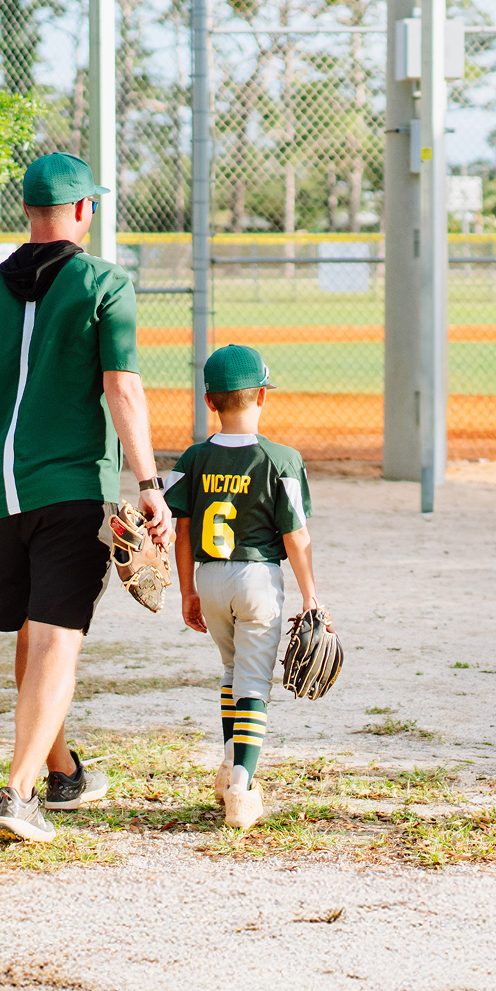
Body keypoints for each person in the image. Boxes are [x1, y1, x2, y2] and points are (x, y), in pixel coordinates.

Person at [0, 153, 171, 843]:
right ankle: (18, 792)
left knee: (32, 630)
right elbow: (123, 388)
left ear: (28, 211)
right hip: (72, 486)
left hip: (3, 496)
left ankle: (63, 773)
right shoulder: (104, 283)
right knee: (56, 638)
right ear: (84, 210)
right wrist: (149, 485)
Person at [166, 344, 319, 830]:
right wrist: (311, 597)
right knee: (253, 684)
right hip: (256, 576)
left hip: (209, 577)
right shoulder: (281, 458)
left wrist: (189, 590)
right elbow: (296, 536)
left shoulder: (193, 457)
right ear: (262, 398)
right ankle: (241, 785)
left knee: (232, 673)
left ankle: (230, 764)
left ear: (210, 401)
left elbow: (182, 529)